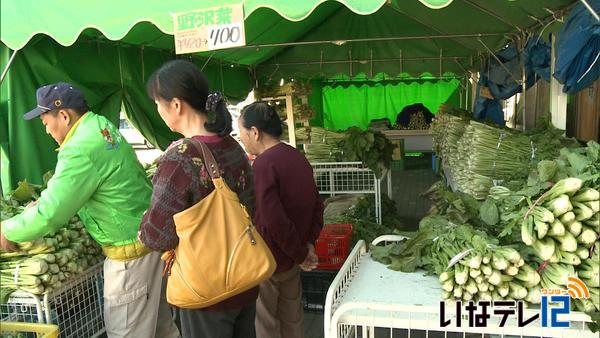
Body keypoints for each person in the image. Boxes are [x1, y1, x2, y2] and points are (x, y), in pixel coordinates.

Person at [0, 82, 179, 338]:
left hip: (129, 258)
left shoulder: (80, 147)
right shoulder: (100, 126)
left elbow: (51, 214)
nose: (46, 129)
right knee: (161, 330)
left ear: (63, 115)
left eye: (45, 122)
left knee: (126, 333)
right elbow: (82, 181)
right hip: (148, 243)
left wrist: (7, 228)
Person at [139, 59, 257, 338]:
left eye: (158, 102)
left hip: (206, 290)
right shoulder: (234, 147)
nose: (157, 109)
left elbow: (157, 236)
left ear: (176, 105)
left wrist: (142, 228)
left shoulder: (179, 159)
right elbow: (251, 206)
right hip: (244, 276)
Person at [237, 102, 323, 338]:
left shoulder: (264, 163)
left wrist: (300, 252)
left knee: (267, 325)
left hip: (270, 260)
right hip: (292, 261)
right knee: (293, 321)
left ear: (255, 132)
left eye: (242, 134)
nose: (242, 140)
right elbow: (317, 204)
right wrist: (307, 244)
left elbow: (273, 219)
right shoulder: (297, 156)